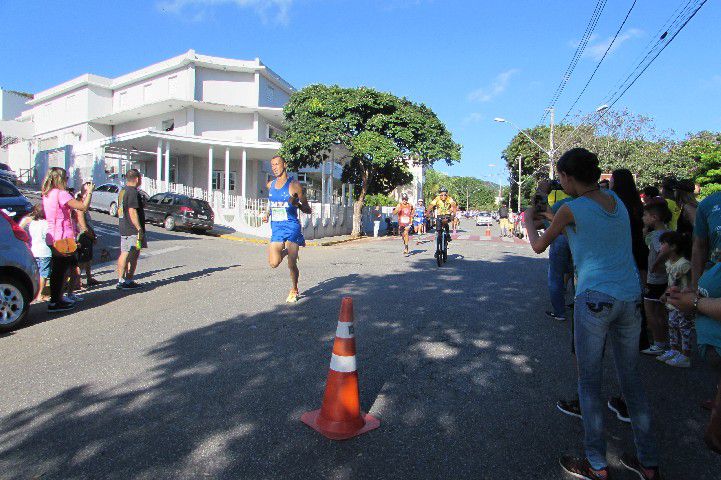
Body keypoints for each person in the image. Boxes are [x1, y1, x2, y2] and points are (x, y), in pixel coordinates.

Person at [524, 148, 660, 480]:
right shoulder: (619, 204)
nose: (560, 182)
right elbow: (592, 230)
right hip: (630, 298)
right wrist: (549, 218)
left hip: (595, 299)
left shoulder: (570, 208)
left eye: (561, 177)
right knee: (631, 381)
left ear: (569, 177)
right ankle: (648, 463)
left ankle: (597, 465)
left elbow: (539, 246)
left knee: (590, 382)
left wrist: (530, 222)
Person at [41, 167, 94, 313]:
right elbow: (82, 207)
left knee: (58, 270)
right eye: (66, 178)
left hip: (52, 235)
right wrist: (89, 192)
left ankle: (57, 299)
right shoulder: (61, 193)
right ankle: (56, 301)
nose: (67, 181)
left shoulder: (47, 194)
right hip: (63, 237)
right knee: (61, 271)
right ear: (61, 179)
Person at [263, 155, 312, 303]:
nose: (274, 167)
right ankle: (286, 251)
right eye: (272, 165)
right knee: (273, 263)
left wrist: (297, 204)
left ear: (285, 164)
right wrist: (267, 213)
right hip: (277, 228)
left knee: (291, 264)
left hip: (292, 227)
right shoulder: (270, 185)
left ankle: (294, 289)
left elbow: (307, 210)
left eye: (277, 164)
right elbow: (271, 202)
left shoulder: (295, 186)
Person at [656, 231, 693, 367]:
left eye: (663, 244)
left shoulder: (684, 264)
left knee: (684, 328)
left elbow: (684, 283)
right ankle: (674, 350)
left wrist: (666, 295)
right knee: (672, 325)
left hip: (682, 302)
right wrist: (665, 295)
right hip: (672, 301)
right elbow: (670, 283)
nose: (660, 246)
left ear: (673, 246)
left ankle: (686, 355)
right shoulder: (668, 263)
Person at [642, 197, 672, 356]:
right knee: (662, 311)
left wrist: (654, 265)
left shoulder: (656, 236)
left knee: (650, 311)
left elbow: (663, 251)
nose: (643, 218)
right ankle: (666, 341)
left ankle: (658, 343)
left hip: (655, 280)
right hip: (667, 279)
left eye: (645, 215)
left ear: (654, 218)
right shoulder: (669, 232)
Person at [117, 169, 146, 290]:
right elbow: (132, 211)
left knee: (125, 252)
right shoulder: (133, 192)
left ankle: (121, 279)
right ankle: (126, 281)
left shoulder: (123, 191)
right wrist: (139, 228)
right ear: (137, 179)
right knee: (132, 253)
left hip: (124, 226)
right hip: (132, 228)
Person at [20, 204, 51, 302]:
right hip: (45, 252)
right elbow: (49, 239)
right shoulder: (46, 224)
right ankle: (40, 294)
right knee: (44, 274)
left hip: (34, 250)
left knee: (36, 273)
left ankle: (35, 292)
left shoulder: (33, 223)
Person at [75, 183, 99, 287]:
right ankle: (77, 281)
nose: (89, 196)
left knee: (88, 259)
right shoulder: (79, 205)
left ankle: (89, 278)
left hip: (87, 236)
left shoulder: (82, 204)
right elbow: (83, 227)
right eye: (88, 193)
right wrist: (92, 236)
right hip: (83, 236)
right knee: (82, 260)